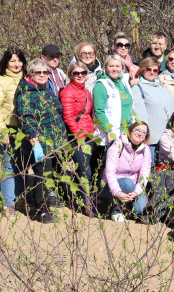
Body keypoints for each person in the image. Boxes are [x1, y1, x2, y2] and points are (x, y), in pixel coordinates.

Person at [15, 58, 69, 223]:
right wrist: (34, 138)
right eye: (37, 72)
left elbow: (58, 111)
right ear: (31, 74)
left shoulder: (46, 90)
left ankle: (38, 200)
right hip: (38, 142)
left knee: (49, 174)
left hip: (55, 140)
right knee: (42, 176)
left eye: (44, 72)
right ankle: (42, 210)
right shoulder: (26, 94)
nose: (42, 75)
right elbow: (26, 119)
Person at [60, 61, 96, 215]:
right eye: (76, 73)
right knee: (84, 169)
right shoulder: (68, 92)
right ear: (70, 75)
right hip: (77, 136)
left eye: (83, 73)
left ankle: (83, 199)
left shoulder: (86, 91)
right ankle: (85, 203)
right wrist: (79, 136)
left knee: (89, 167)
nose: (80, 75)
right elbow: (68, 117)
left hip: (89, 134)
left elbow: (87, 114)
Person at [101, 121, 151, 222]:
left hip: (133, 188)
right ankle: (116, 211)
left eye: (143, 132)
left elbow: (144, 174)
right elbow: (109, 172)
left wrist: (137, 192)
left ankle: (126, 206)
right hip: (112, 186)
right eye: (137, 130)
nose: (140, 133)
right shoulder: (117, 145)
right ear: (130, 130)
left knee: (139, 210)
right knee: (127, 183)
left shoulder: (146, 150)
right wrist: (118, 192)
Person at [131, 57, 174, 160]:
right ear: (143, 70)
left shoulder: (163, 88)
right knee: (149, 169)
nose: (152, 72)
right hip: (151, 140)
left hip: (167, 137)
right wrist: (145, 135)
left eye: (155, 70)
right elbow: (140, 115)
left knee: (166, 170)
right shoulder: (138, 88)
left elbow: (173, 109)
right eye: (149, 69)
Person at [0, 49, 25, 214]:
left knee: (23, 164)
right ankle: (8, 203)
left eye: (19, 61)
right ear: (6, 63)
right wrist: (2, 130)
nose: (16, 64)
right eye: (12, 61)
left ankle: (20, 198)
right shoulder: (2, 81)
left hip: (25, 129)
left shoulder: (27, 79)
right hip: (7, 128)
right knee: (8, 164)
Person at [93, 55, 134, 149]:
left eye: (117, 66)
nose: (114, 69)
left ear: (122, 68)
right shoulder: (101, 85)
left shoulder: (123, 82)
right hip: (110, 134)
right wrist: (108, 131)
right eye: (111, 66)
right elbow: (99, 111)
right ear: (105, 67)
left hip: (126, 132)